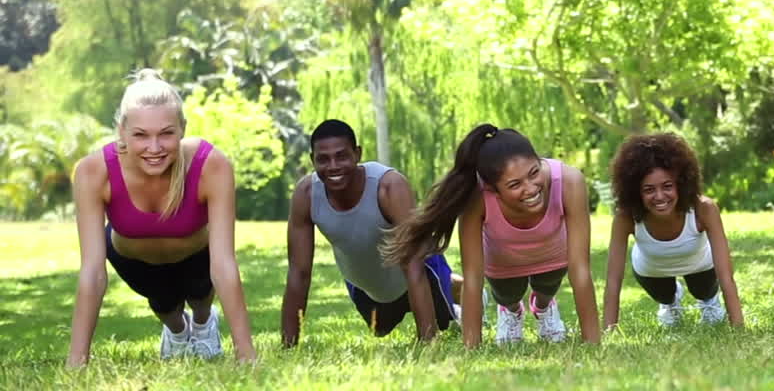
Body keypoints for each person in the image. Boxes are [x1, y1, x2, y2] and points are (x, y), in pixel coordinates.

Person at [66, 69, 255, 367]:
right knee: (165, 306)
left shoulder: (211, 165)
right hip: (136, 261)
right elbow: (92, 273)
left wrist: (247, 356)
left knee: (200, 295)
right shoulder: (94, 171)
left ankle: (204, 325)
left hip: (196, 255)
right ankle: (177, 332)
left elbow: (223, 264)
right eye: (140, 135)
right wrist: (76, 363)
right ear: (122, 131)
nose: (154, 148)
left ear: (182, 129)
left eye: (166, 133)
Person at [382, 124, 601, 347]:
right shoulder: (477, 198)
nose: (531, 188)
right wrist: (471, 348)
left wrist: (592, 343)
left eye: (534, 172)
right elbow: (473, 280)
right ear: (492, 189)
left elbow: (580, 270)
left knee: (547, 288)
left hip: (553, 254)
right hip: (503, 262)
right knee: (508, 295)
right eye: (515, 184)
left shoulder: (569, 181)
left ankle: (544, 308)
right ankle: (511, 311)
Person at [280, 119, 460, 346]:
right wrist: (288, 346)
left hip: (420, 270)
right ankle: (453, 287)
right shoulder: (306, 194)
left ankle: (460, 293)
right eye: (323, 159)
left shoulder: (388, 186)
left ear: (357, 154)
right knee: (379, 328)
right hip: (369, 283)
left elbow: (413, 265)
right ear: (312, 160)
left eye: (341, 156)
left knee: (444, 321)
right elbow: (299, 273)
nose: (333, 166)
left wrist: (427, 344)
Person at [602, 132, 744, 329]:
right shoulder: (625, 217)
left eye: (667, 186)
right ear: (636, 192)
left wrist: (738, 328)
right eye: (649, 190)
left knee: (703, 290)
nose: (660, 196)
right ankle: (669, 304)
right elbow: (613, 280)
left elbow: (726, 276)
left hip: (701, 266)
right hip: (652, 269)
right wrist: (609, 331)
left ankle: (709, 302)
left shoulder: (704, 209)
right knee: (664, 294)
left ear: (681, 184)